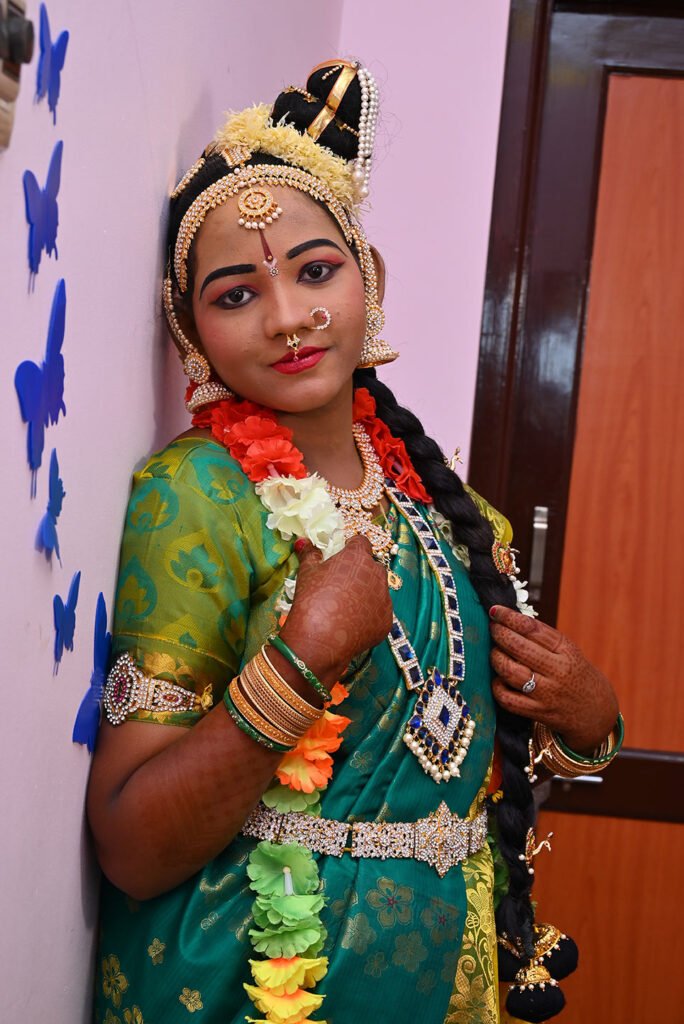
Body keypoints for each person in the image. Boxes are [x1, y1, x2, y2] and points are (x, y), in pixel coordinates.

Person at [87, 60, 621, 1024]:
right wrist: (303, 659)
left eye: (316, 270)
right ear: (190, 330)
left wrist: (589, 725)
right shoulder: (197, 497)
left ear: (368, 277)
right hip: (258, 983)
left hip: (444, 985)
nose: (288, 317)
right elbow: (130, 843)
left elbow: (467, 761)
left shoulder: (447, 511)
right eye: (236, 294)